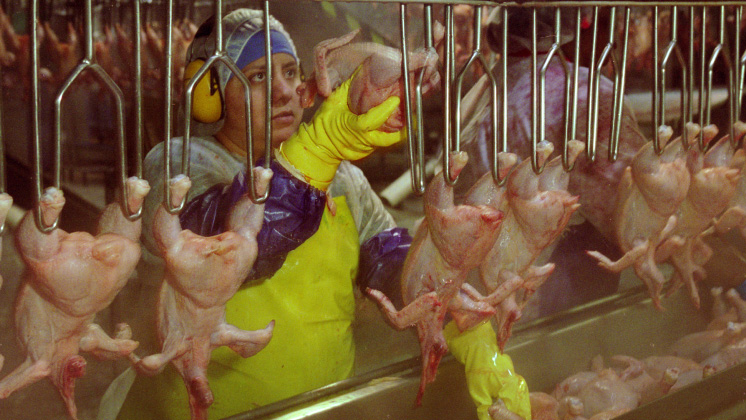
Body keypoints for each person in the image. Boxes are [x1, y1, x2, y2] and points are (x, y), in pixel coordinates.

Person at [113, 8, 530, 420]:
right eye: (258, 76)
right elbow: (231, 250)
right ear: (211, 93)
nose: (283, 91)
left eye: (292, 72)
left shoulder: (343, 179)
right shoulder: (177, 167)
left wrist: (462, 321)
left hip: (321, 408)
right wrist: (317, 152)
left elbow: (390, 262)